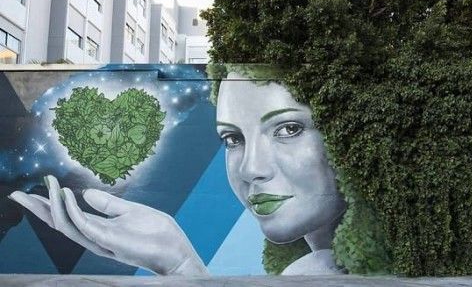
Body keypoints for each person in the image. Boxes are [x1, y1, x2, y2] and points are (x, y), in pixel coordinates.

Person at [8, 68, 347, 275]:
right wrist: (179, 263)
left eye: (288, 129)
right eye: (233, 139)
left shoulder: (317, 271)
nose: (251, 168)